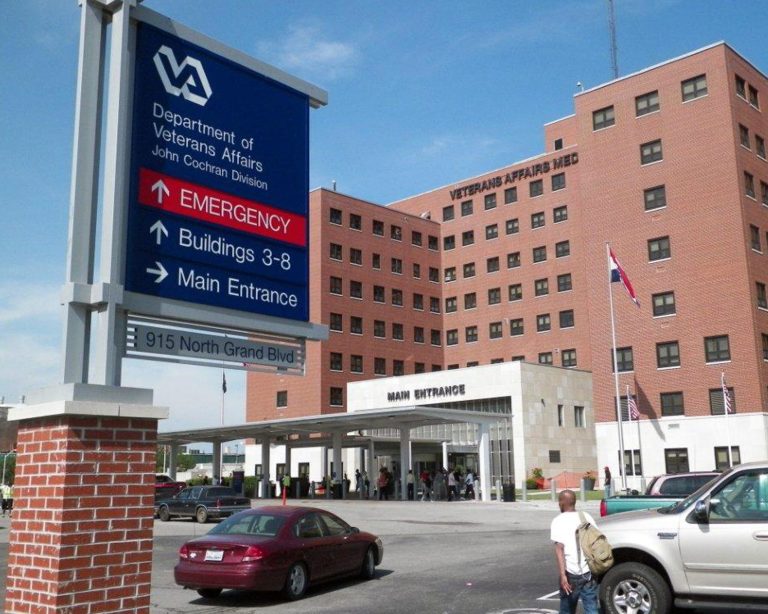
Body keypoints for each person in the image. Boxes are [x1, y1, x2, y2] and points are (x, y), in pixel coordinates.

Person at [550, 489, 599, 614]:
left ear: (562, 503)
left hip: (570, 574)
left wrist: (563, 575)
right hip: (588, 572)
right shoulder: (586, 517)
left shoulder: (558, 521)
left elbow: (560, 550)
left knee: (567, 609)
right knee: (591, 608)